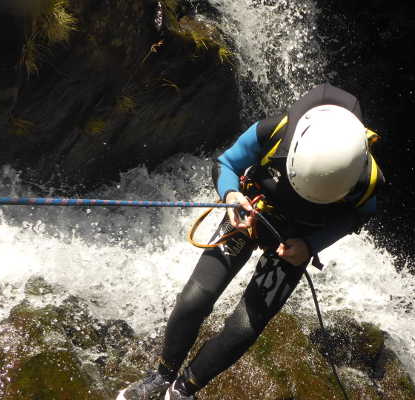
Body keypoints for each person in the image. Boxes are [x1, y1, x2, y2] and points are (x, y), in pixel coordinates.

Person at [117, 83, 384, 400]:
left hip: (294, 244)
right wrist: (232, 197)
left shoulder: (367, 181)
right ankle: (162, 375)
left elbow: (354, 219)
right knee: (194, 300)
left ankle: (183, 390)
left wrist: (311, 246)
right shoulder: (274, 131)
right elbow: (226, 163)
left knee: (244, 327)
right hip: (248, 217)